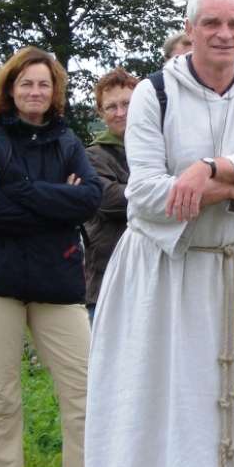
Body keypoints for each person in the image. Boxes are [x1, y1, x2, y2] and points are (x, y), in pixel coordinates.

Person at [84, 0, 234, 467]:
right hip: (160, 272)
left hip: (232, 273)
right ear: (192, 28)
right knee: (156, 403)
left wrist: (206, 167)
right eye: (212, 23)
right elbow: (146, 196)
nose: (224, 34)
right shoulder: (155, 92)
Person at [0, 46, 102, 467]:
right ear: (10, 89)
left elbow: (87, 200)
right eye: (26, 84)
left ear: (55, 90)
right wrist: (52, 205)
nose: (35, 92)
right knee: (0, 401)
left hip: (57, 285)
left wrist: (20, 189)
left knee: (85, 398)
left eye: (44, 84)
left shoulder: (69, 142)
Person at [83, 67, 137, 322]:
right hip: (106, 281)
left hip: (151, 280)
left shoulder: (161, 149)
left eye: (127, 103)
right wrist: (163, 191)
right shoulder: (93, 156)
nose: (120, 113)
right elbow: (109, 201)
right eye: (111, 107)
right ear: (101, 113)